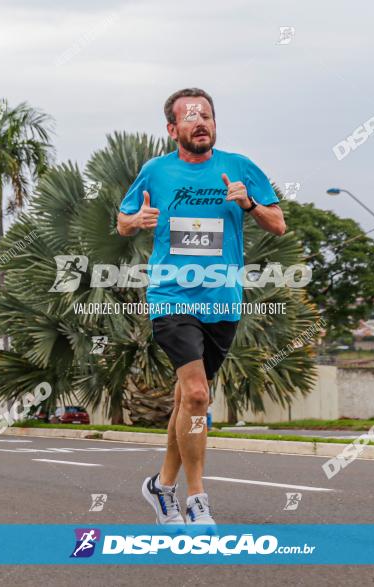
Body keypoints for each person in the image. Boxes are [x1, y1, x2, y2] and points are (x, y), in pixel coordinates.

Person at [117, 89, 285, 525]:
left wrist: (248, 204)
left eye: (206, 116)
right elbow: (122, 221)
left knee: (186, 402)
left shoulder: (239, 167)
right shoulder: (155, 171)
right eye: (190, 118)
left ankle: (160, 486)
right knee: (196, 395)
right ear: (172, 129)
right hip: (171, 294)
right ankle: (197, 500)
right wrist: (138, 222)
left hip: (222, 298)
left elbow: (279, 224)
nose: (200, 124)